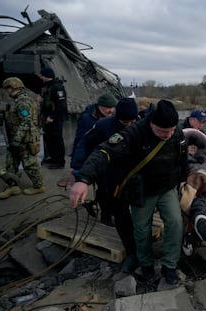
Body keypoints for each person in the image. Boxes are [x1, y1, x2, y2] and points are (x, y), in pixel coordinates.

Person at [69, 100, 186, 287]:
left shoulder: (176, 132)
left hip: (166, 188)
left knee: (175, 222)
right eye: (163, 131)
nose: (168, 135)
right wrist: (83, 179)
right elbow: (104, 152)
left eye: (171, 130)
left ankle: (169, 266)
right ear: (151, 123)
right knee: (141, 229)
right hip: (143, 191)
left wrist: (184, 180)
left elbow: (182, 158)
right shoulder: (134, 133)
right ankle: (146, 264)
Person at [72, 98, 139, 273]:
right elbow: (84, 145)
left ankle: (139, 245)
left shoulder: (141, 125)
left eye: (132, 121)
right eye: (126, 122)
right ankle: (128, 246)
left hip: (134, 174)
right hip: (109, 170)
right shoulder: (103, 126)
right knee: (114, 203)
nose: (129, 125)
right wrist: (79, 170)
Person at [1, 77, 45, 196]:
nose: (7, 91)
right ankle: (13, 186)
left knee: (29, 164)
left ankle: (39, 186)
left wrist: (16, 141)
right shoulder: (22, 100)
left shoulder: (23, 102)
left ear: (14, 87)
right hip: (20, 138)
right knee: (11, 162)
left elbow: (27, 121)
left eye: (8, 88)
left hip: (24, 139)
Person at [70, 92, 117, 162]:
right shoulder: (86, 119)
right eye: (108, 107)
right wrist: (75, 163)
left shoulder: (113, 118)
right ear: (100, 106)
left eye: (113, 107)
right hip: (90, 157)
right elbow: (79, 141)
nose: (111, 111)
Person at [39, 67, 67, 169]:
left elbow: (62, 105)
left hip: (55, 118)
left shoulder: (57, 87)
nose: (41, 77)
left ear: (47, 76)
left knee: (56, 139)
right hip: (47, 118)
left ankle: (60, 162)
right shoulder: (47, 87)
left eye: (42, 75)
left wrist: (52, 117)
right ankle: (53, 158)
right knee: (49, 139)